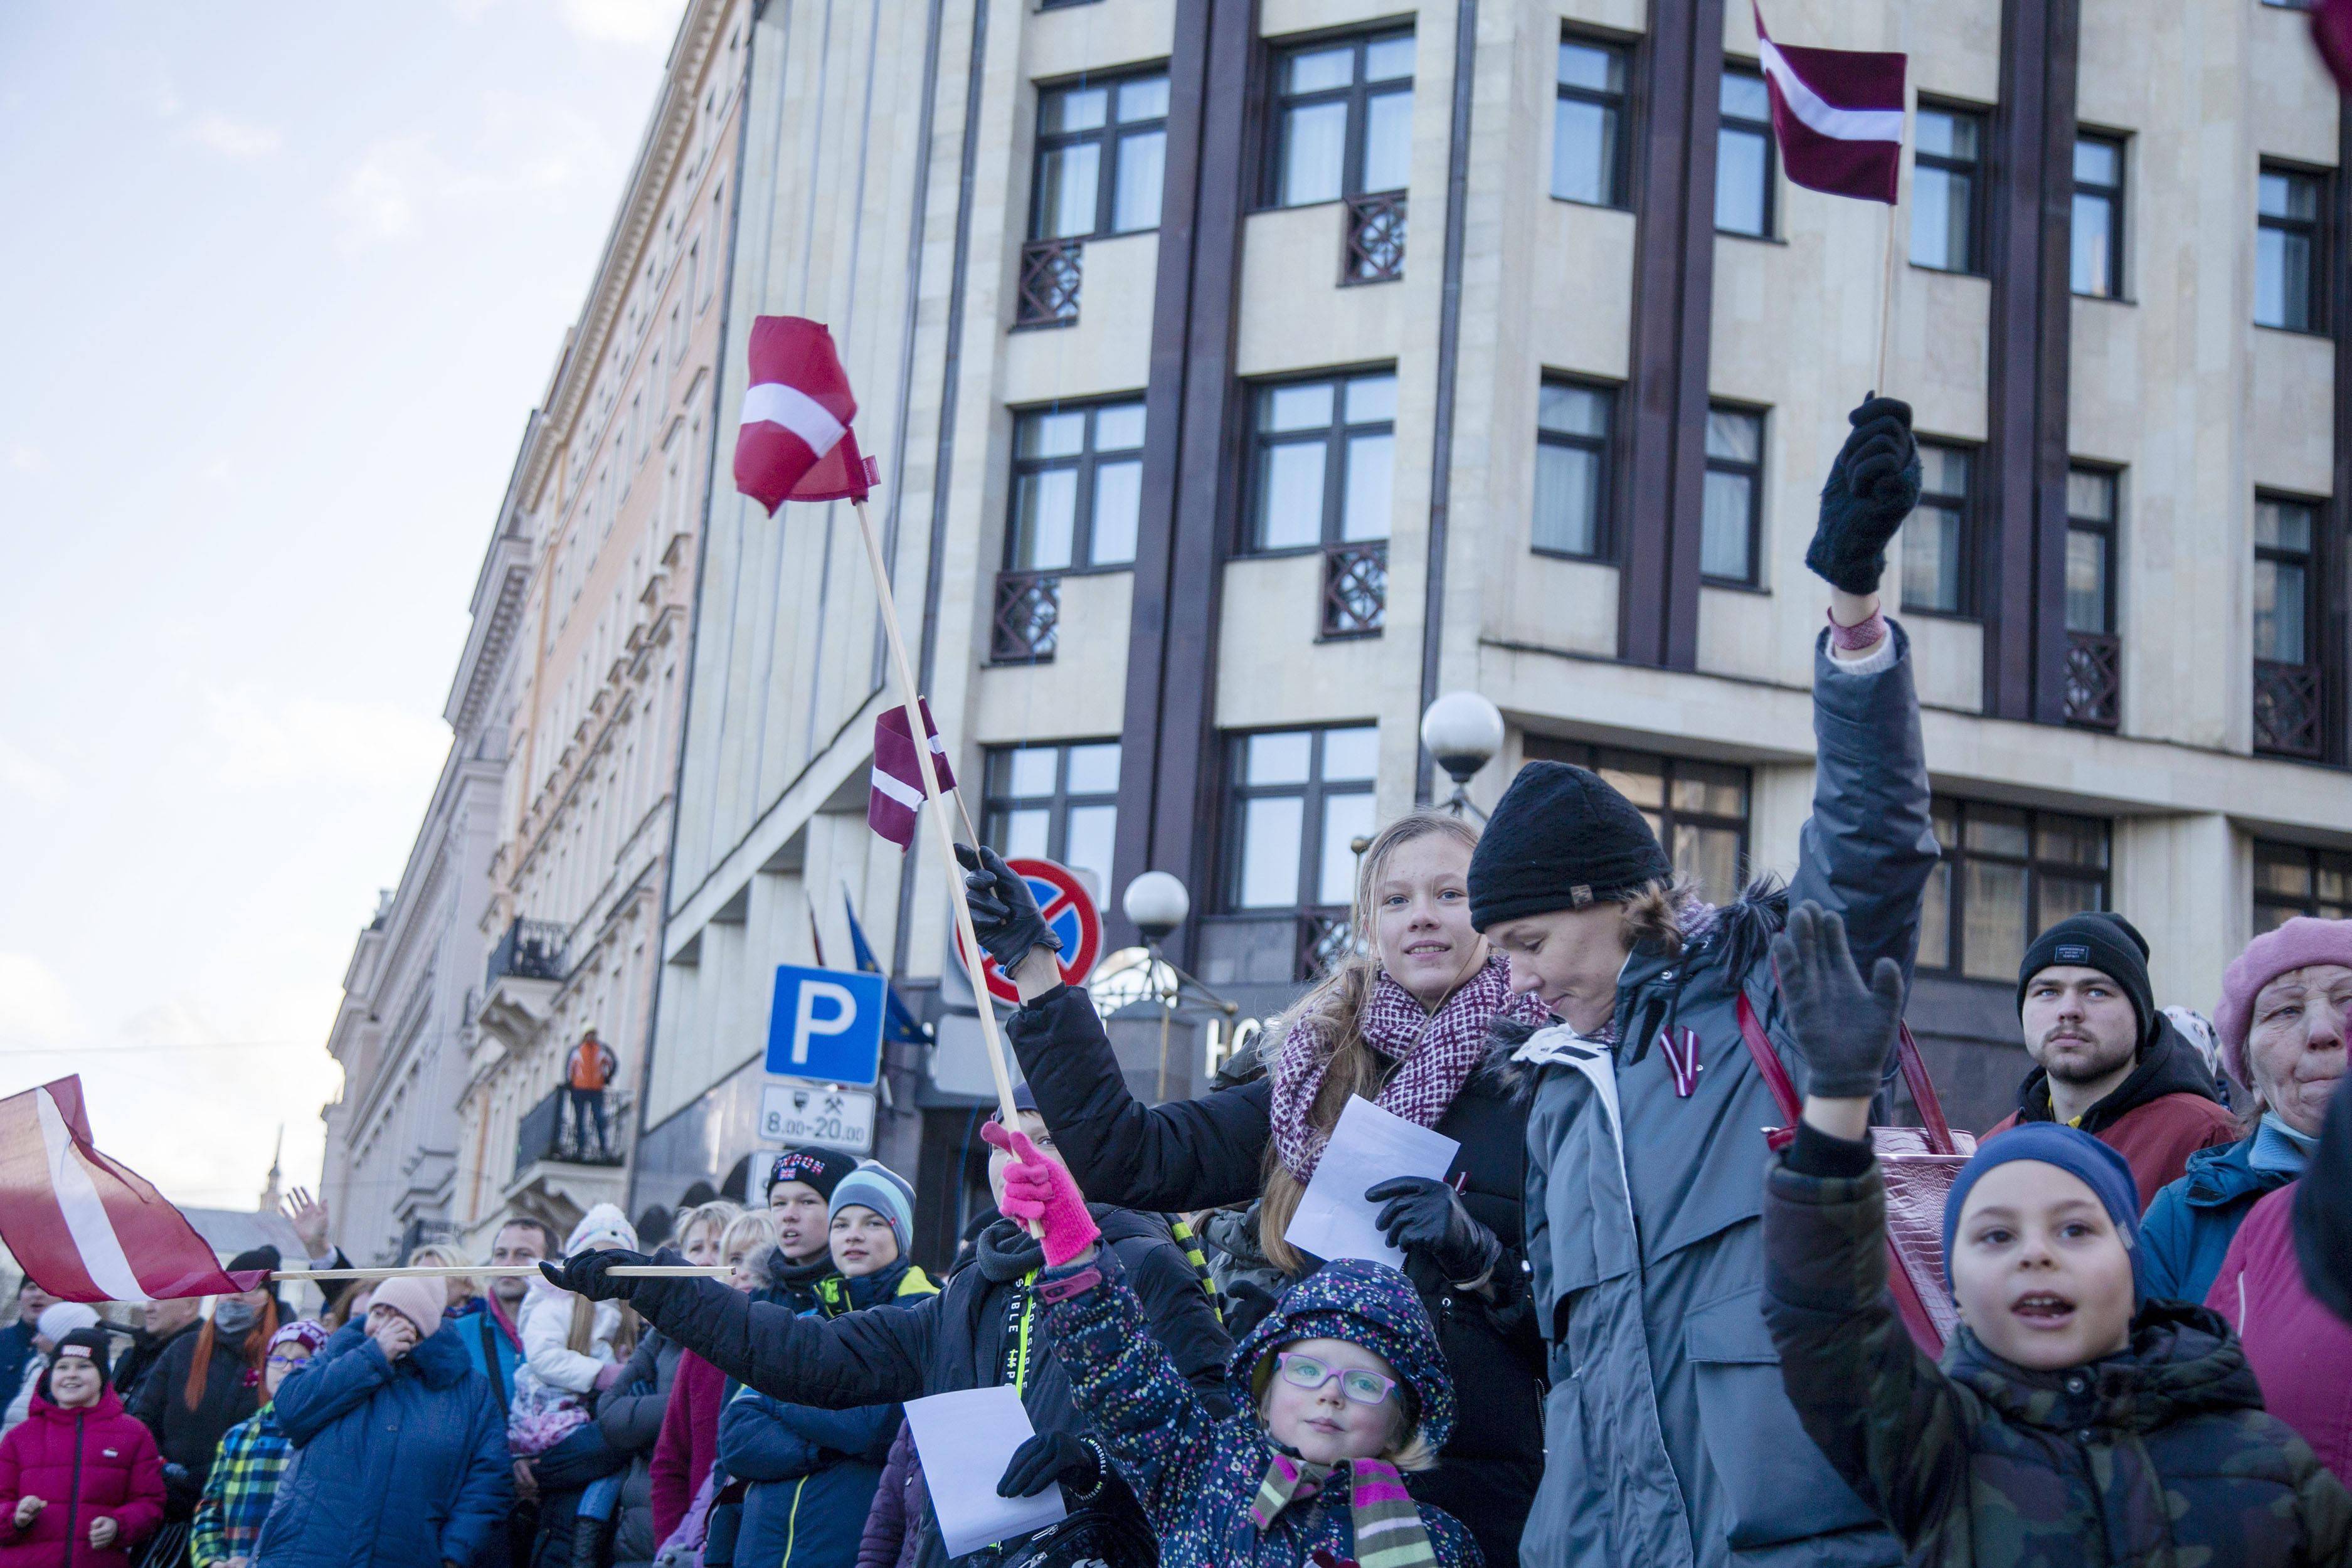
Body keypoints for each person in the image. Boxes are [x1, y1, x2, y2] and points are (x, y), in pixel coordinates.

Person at [1480, 397, 1938, 1568]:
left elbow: (1872, 838)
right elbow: (1587, 1386)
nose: (1518, 983)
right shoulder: (1559, 1100)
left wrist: (1854, 617)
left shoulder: (1770, 992)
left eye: (1527, 943)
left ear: (1605, 899)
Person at [979, 810, 1553, 1565]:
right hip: (1303, 1497)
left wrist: (1475, 1254)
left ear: (1492, 913)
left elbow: (1594, 1323)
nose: (1422, 917)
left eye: (1450, 894)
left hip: (1483, 1498)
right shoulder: (1313, 1074)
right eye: (1396, 899)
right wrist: (1037, 972)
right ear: (1369, 924)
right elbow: (1134, 1154)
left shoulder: (1548, 1076)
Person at [1755, 903, 2352, 1565]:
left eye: (2075, 1228)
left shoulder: (2267, 1465)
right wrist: (1837, 1104)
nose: (2036, 1252)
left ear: (2134, 1264)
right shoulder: (1941, 1449)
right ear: (1952, 1282)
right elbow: (1824, 1319)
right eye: (1994, 1236)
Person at [540, 1106, 1232, 1568]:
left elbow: (1212, 1432)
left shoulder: (1144, 1265)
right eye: (1000, 1135)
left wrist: (1092, 1460)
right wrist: (654, 1282)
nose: (1017, 1150)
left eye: (1045, 1135)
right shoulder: (969, 1289)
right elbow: (811, 1356)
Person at [989, 1122, 1473, 1567]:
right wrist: (1072, 1245)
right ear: (1264, 1392)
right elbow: (1122, 1372)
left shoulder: (1442, 1545)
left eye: (1364, 1383)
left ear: (1401, 1424)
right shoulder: (1199, 1475)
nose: (1330, 1394)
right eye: (1306, 1371)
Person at [718, 1165, 936, 1568]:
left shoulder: (923, 1318)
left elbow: (871, 1428)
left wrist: (778, 1391)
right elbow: (735, 1437)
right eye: (841, 1224)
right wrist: (821, 1449)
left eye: (873, 1222)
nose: (853, 1234)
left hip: (849, 1550)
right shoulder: (804, 1321)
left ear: (900, 1236)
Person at [2143, 918, 2351, 1303]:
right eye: (2286, 1011)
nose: (2323, 1032)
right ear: (2251, 1078)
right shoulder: (2180, 1220)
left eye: (2349, 1001)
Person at [251, 1276, 511, 1568]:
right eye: (377, 1313)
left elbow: (488, 1481)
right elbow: (289, 1411)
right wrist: (373, 1357)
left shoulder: (469, 1390)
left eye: (396, 1315)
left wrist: (454, 1555)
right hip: (306, 1553)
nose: (381, 1325)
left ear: (423, 1327)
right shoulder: (339, 1355)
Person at [1983, 912, 2237, 1209]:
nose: (2069, 1010)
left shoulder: (2207, 1138)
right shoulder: (1990, 1150)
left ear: (2140, 1016)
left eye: (2096, 992)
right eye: (2047, 991)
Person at [513, 1207, 638, 1568]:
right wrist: (603, 1373)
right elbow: (542, 1356)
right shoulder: (557, 1304)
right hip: (550, 1417)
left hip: (593, 1433)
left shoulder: (631, 1315)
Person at [649, 1210, 775, 1551]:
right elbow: (670, 1461)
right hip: (698, 1544)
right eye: (735, 1258)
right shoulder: (702, 1350)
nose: (746, 1270)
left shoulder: (798, 1345)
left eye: (758, 1255)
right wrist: (673, 1546)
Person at [132, 1252, 283, 1527]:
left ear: (270, 1300)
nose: (235, 1296)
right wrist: (164, 1472)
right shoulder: (183, 1350)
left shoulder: (280, 1362)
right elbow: (142, 1421)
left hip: (236, 1513)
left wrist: (209, 1478)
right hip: (167, 1505)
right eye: (229, 1286)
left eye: (250, 1289)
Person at [0, 1325, 165, 1568]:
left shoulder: (134, 1434)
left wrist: (118, 1525)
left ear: (103, 1376)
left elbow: (151, 1504)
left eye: (84, 1366)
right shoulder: (19, 1437)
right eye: (62, 1367)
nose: (71, 1375)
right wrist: (15, 1516)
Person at [189, 1322, 326, 1568]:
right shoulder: (238, 1436)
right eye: (279, 1358)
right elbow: (210, 1508)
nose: (286, 1369)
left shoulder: (324, 1436)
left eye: (302, 1361)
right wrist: (212, 1561)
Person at [758, 1149, 859, 1313]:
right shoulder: (758, 1296)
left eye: (807, 1202)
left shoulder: (865, 1296)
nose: (789, 1216)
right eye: (779, 1204)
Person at [2, 1307, 103, 1436]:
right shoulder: (39, 1366)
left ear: (59, 1339)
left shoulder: (49, 1375)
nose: (35, 1340)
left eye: (42, 1333)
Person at [112, 1298, 201, 1410]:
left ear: (190, 1306)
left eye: (157, 1299)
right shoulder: (133, 1355)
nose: (148, 1309)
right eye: (148, 1299)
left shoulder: (200, 1363)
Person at [0, 1281, 58, 1434]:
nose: (38, 1294)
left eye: (46, 1288)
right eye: (31, 1287)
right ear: (19, 1297)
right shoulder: (3, 1341)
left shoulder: (73, 1351)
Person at [566, 1032, 619, 1161]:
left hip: (596, 1090)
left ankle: (603, 1148)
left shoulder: (600, 1050)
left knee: (599, 1119)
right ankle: (581, 1147)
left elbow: (612, 1064)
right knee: (580, 1121)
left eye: (593, 1035)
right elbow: (569, 1070)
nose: (591, 1037)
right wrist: (571, 1085)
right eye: (589, 1035)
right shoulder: (577, 1051)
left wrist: (607, 1078)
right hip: (580, 1090)